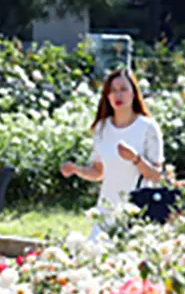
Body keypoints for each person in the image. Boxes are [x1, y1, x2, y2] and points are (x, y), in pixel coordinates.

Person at [60, 68, 164, 237]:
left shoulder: (148, 127)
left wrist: (135, 159)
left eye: (123, 89)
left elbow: (156, 175)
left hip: (136, 212)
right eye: (113, 91)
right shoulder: (102, 128)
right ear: (107, 96)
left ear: (133, 94)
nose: (118, 95)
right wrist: (77, 170)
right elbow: (99, 172)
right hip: (106, 210)